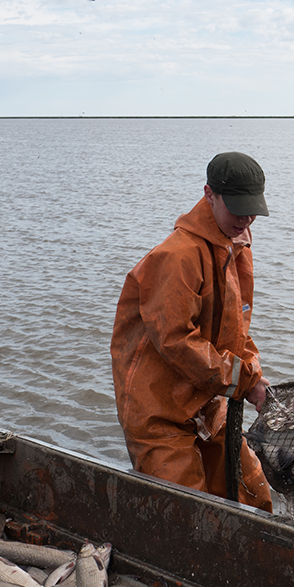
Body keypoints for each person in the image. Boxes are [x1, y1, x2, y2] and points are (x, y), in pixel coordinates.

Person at [110, 152, 274, 511]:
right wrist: (241, 381)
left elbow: (237, 327)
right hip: (158, 410)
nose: (245, 219)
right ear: (209, 194)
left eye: (252, 210)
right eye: (236, 209)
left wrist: (253, 375)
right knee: (185, 510)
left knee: (253, 492)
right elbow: (177, 341)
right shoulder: (178, 256)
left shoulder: (237, 246)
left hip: (207, 400)